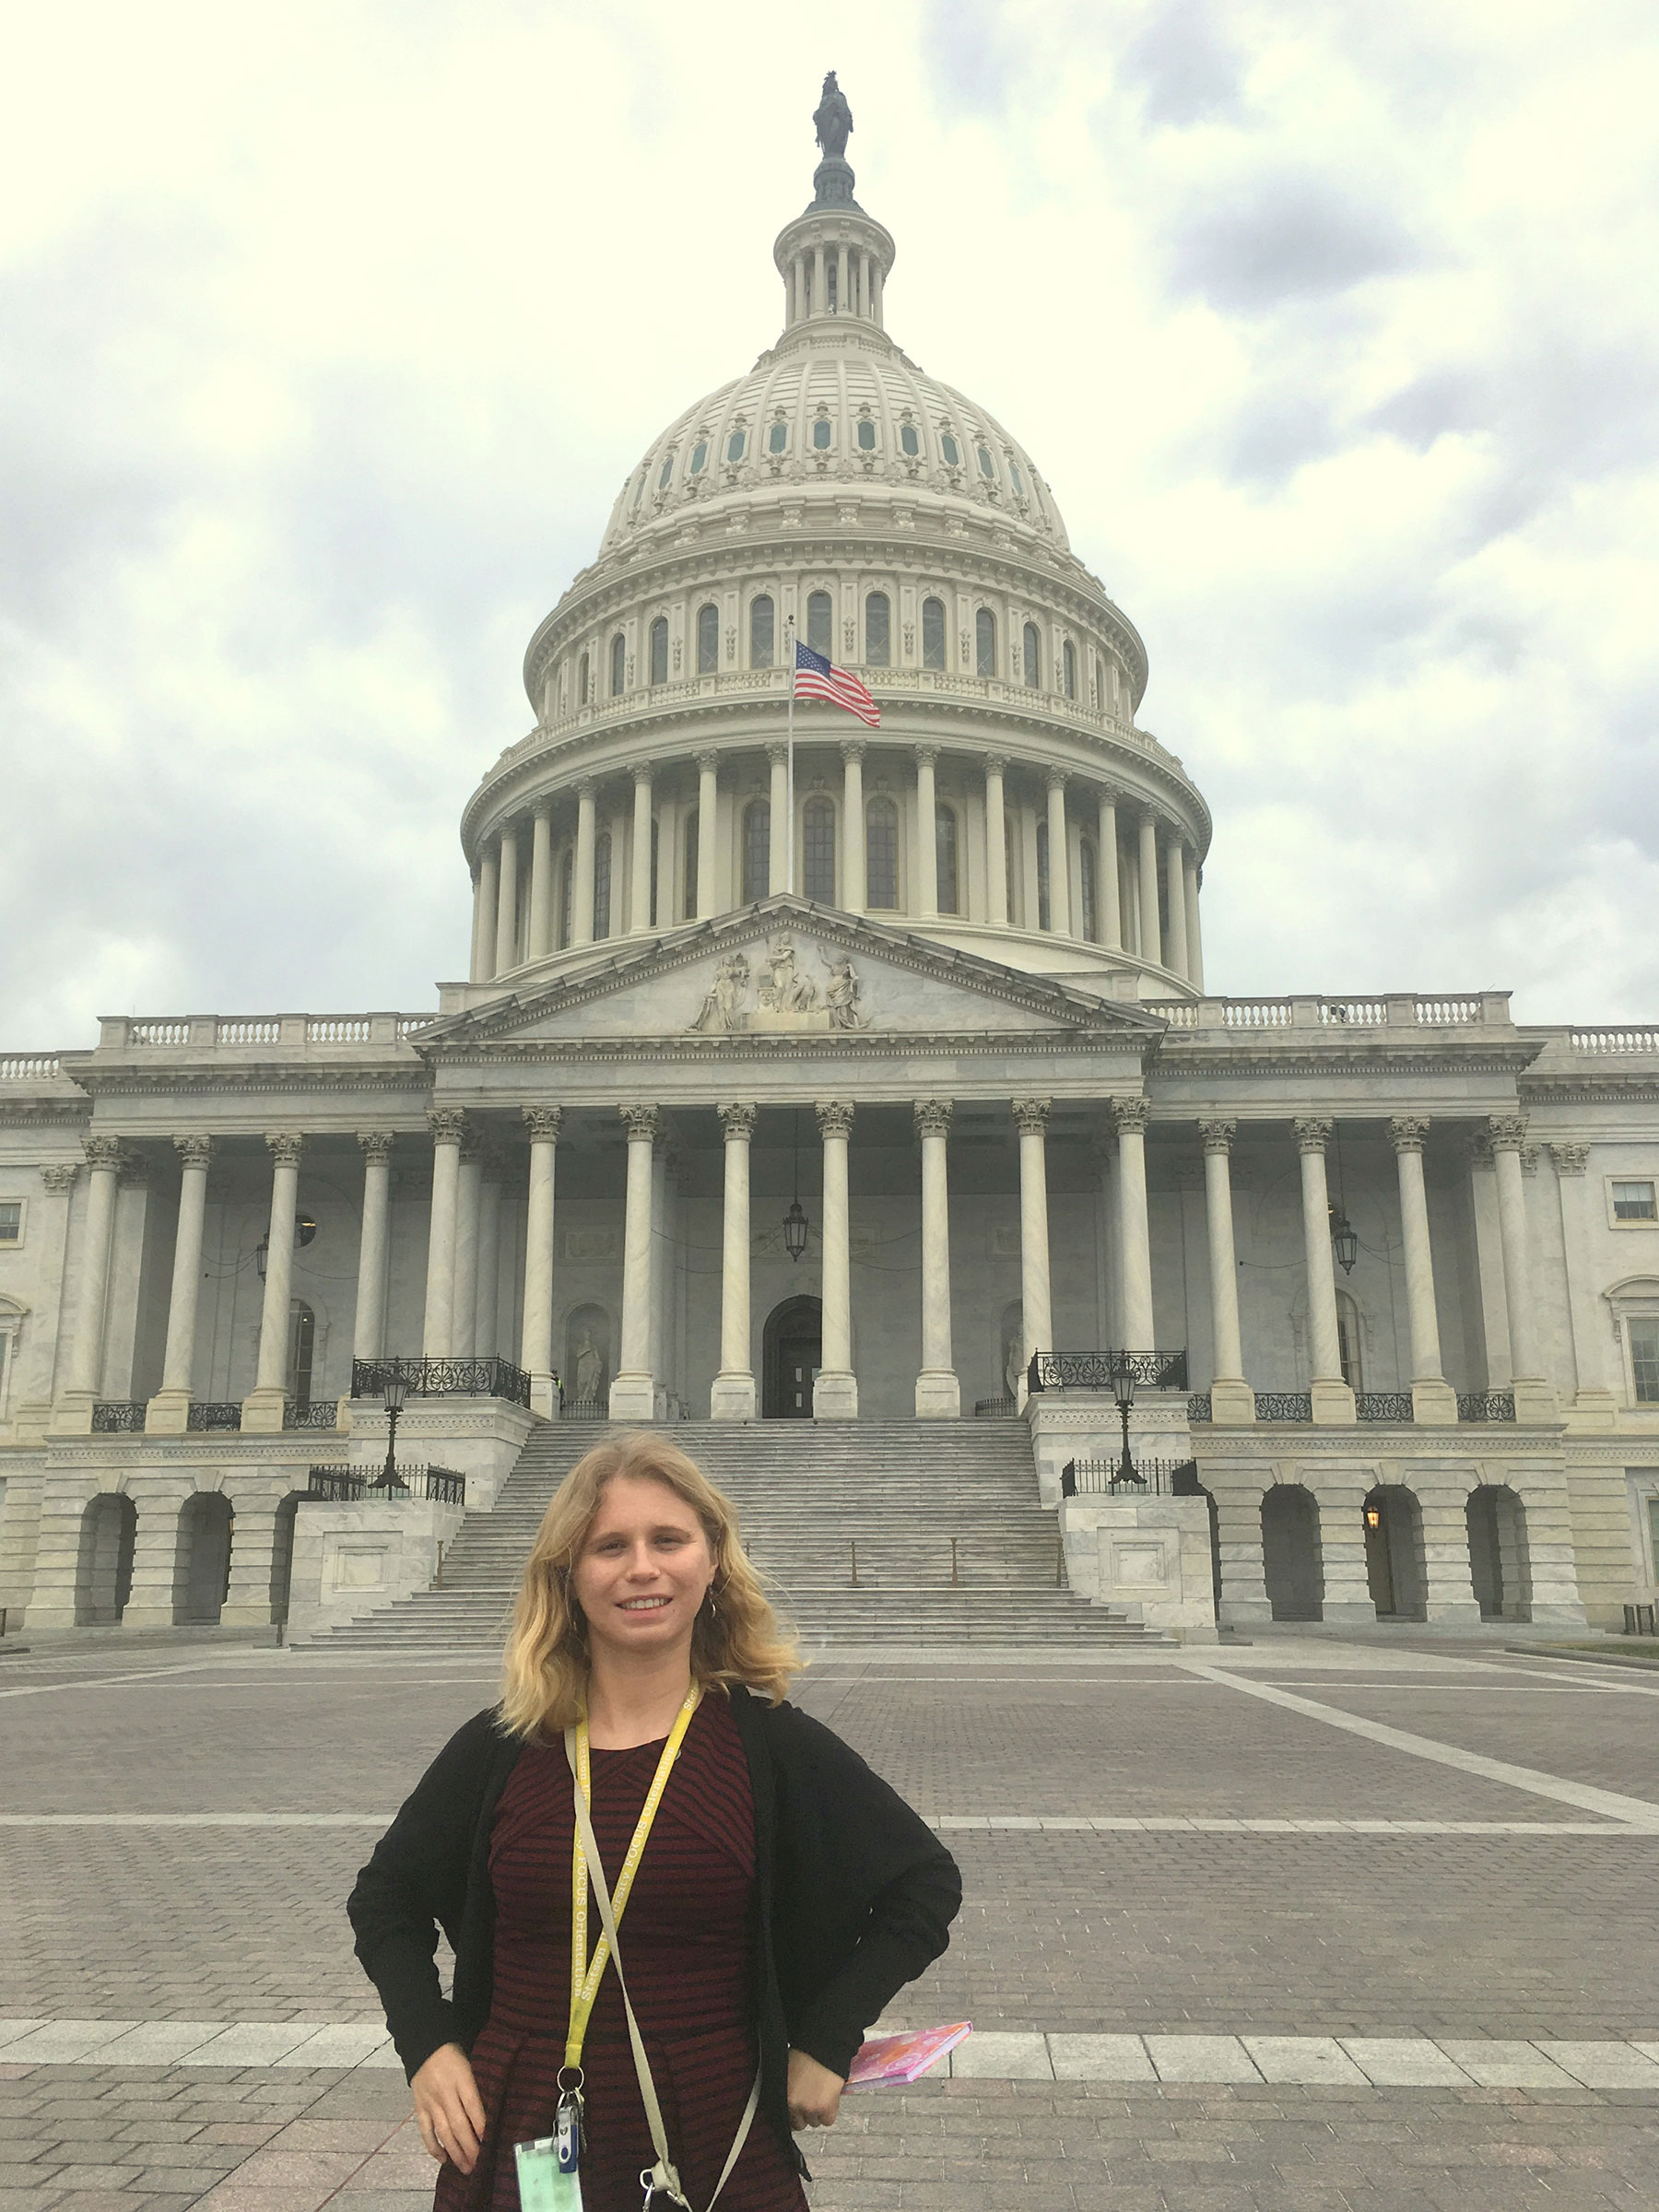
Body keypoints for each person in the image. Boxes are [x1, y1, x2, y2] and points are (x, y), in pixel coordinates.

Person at [347, 1430, 960, 2210]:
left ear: (711, 1560)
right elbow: (385, 1898)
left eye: (668, 1539)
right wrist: (428, 2046)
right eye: (610, 1546)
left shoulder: (766, 1743)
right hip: (522, 2123)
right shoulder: (505, 1745)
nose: (642, 1567)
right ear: (570, 1576)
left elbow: (924, 1884)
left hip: (713, 2122)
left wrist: (827, 2040)